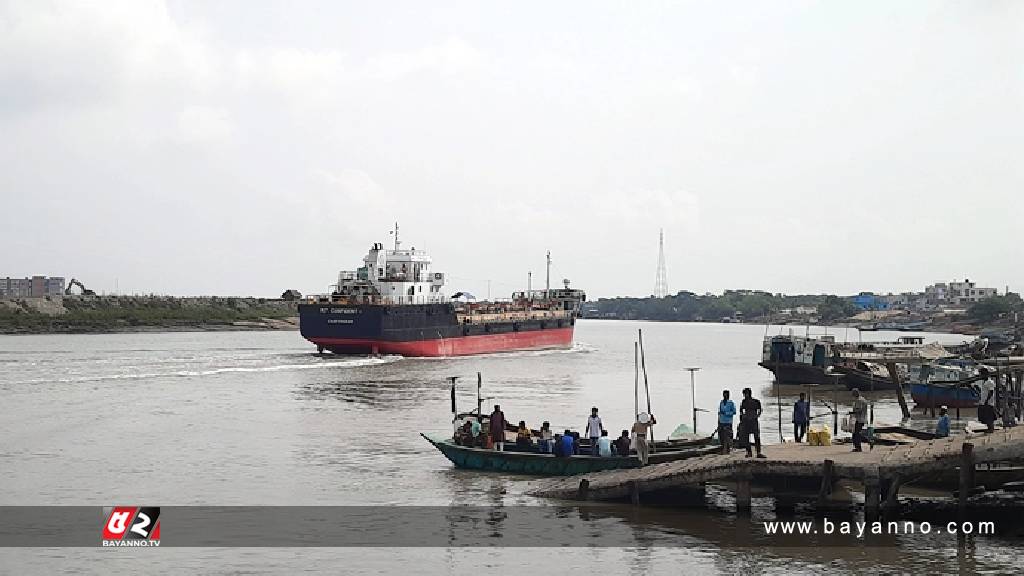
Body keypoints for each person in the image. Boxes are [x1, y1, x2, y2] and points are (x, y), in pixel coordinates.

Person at [739, 388, 765, 458]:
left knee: (756, 436)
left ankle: (758, 452)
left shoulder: (756, 401)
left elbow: (760, 410)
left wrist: (757, 415)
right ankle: (749, 452)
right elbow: (741, 411)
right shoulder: (744, 402)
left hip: (753, 420)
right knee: (747, 437)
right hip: (747, 421)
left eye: (745, 394)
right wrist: (743, 417)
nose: (744, 395)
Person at [978, 368, 997, 434]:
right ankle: (989, 428)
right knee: (984, 416)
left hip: (988, 403)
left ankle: (991, 428)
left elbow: (991, 392)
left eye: (982, 374)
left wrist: (986, 400)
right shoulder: (984, 382)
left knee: (989, 417)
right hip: (983, 402)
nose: (981, 375)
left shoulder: (990, 382)